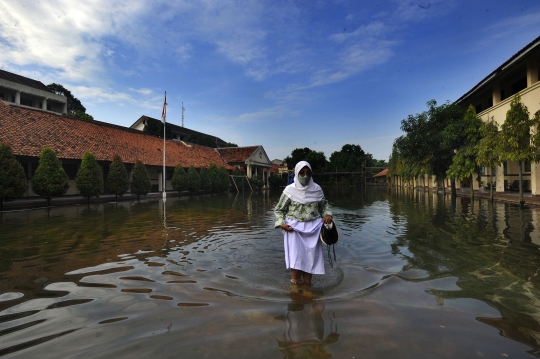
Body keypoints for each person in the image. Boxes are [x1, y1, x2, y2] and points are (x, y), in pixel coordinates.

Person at [274, 161, 332, 285]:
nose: (305, 176)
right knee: (296, 258)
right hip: (293, 229)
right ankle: (295, 287)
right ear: (296, 173)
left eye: (308, 173)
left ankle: (307, 286)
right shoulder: (289, 190)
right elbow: (279, 209)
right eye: (302, 173)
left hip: (314, 228)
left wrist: (328, 215)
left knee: (310, 258)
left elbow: (324, 206)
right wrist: (281, 223)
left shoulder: (317, 189)